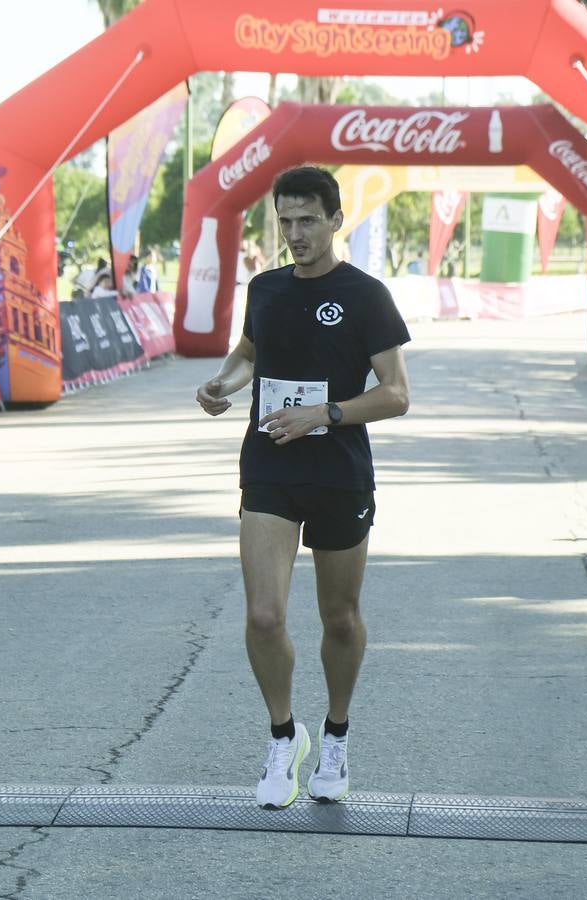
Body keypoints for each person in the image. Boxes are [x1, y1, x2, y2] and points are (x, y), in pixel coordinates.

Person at [195, 166, 411, 810]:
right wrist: (222, 385)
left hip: (339, 471)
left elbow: (396, 394)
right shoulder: (264, 289)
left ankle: (337, 734)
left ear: (336, 220)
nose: (295, 233)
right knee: (263, 615)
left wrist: (323, 414)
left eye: (308, 220)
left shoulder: (366, 295)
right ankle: (285, 737)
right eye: (285, 221)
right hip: (269, 467)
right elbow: (248, 353)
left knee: (339, 618)